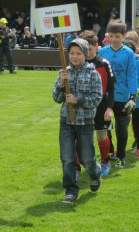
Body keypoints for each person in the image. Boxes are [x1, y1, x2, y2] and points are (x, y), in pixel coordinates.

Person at [52, 38, 102, 204]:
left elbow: (96, 99)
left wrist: (78, 100)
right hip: (66, 122)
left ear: (85, 55)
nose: (74, 56)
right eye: (72, 53)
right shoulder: (64, 73)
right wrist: (61, 84)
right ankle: (71, 190)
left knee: (87, 158)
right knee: (67, 158)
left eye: (78, 53)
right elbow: (57, 98)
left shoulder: (93, 74)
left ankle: (95, 173)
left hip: (85, 123)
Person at [98, 19, 137, 168]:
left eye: (117, 36)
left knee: (122, 129)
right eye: (112, 36)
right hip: (105, 97)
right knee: (105, 128)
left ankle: (121, 155)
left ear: (124, 35)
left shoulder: (128, 53)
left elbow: (131, 75)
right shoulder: (102, 52)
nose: (114, 39)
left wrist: (132, 96)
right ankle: (109, 153)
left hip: (122, 96)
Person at [79, 30, 115, 176]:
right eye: (84, 49)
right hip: (82, 107)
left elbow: (112, 88)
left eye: (90, 49)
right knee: (81, 138)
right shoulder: (78, 64)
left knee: (101, 136)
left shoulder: (104, 64)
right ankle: (81, 165)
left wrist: (109, 108)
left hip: (101, 106)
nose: (87, 52)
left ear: (97, 46)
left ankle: (106, 162)